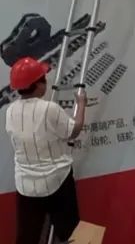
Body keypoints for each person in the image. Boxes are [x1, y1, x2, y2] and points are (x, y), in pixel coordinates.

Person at [5, 57, 87, 244]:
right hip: (57, 180)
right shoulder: (49, 109)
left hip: (26, 185)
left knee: (27, 237)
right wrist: (81, 104)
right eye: (43, 79)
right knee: (72, 234)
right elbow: (74, 131)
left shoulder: (10, 111)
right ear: (37, 85)